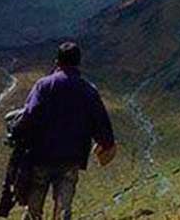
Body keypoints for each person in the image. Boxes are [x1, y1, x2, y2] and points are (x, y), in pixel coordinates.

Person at [14, 41, 118, 220]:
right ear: (78, 62)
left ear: (57, 61)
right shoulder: (88, 90)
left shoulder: (43, 85)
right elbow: (101, 122)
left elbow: (29, 115)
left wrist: (18, 136)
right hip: (71, 158)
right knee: (64, 210)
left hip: (41, 156)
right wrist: (106, 143)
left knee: (34, 210)